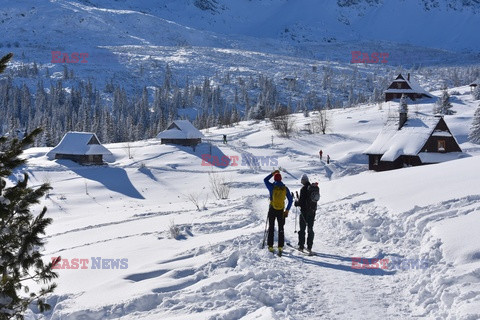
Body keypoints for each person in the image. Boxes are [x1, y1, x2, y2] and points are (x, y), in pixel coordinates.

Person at [264, 170, 293, 254]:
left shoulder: (272, 187)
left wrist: (272, 173)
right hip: (281, 211)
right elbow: (290, 200)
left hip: (272, 209)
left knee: (271, 227)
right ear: (281, 179)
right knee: (281, 228)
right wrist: (287, 210)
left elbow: (265, 180)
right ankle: (280, 247)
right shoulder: (285, 188)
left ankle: (270, 246)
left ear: (274, 179)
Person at [294, 174, 318, 253]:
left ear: (303, 181)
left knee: (302, 230)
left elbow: (301, 202)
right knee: (310, 229)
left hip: (304, 212)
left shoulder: (303, 189)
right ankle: (309, 247)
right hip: (312, 211)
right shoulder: (313, 188)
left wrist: (296, 203)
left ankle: (301, 246)